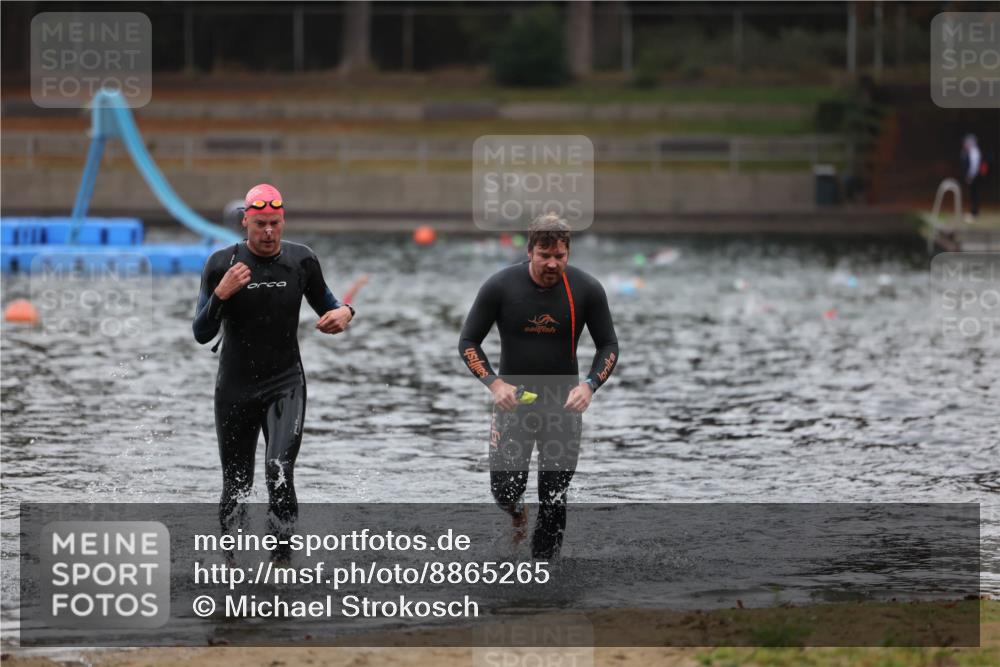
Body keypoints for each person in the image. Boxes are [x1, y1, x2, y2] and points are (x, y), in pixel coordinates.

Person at [193, 183, 354, 561]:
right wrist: (222, 294)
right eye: (261, 223)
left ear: (283, 222)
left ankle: (282, 563)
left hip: (285, 384)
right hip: (234, 387)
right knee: (236, 483)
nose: (269, 232)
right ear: (245, 222)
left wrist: (345, 313)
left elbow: (330, 304)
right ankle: (230, 564)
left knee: (278, 468)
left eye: (276, 224)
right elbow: (201, 334)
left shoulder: (301, 260)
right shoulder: (221, 263)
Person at [458, 213, 619, 559]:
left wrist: (590, 386)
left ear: (568, 254)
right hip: (513, 402)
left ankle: (544, 575)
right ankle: (517, 514)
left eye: (559, 256)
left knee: (554, 495)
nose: (551, 263)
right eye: (544, 255)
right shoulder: (500, 287)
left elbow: (609, 345)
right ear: (530, 251)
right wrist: (494, 383)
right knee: (505, 490)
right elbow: (469, 342)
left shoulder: (587, 289)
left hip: (562, 405)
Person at [961, 134, 983, 221]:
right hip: (972, 176)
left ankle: (975, 212)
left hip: (974, 177)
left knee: (975, 194)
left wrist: (970, 176)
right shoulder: (967, 151)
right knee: (972, 194)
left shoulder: (974, 152)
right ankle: (973, 211)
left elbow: (974, 166)